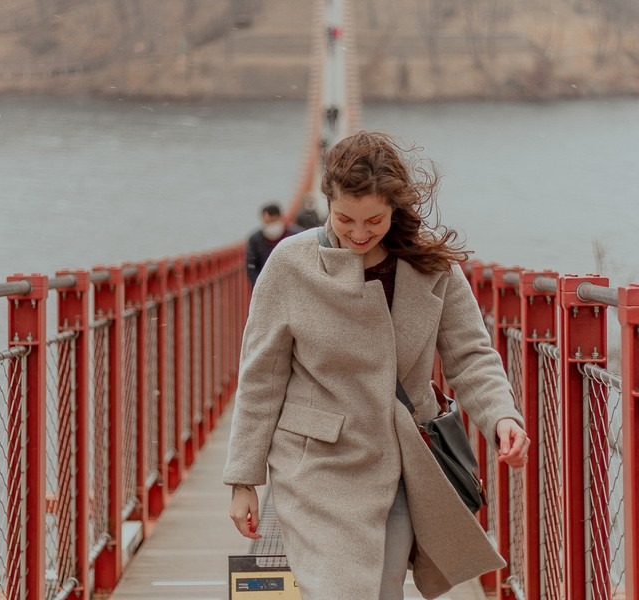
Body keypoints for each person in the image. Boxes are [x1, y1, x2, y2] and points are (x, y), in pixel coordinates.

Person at [224, 131, 530, 599]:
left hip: (404, 460)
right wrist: (244, 478)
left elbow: (470, 354)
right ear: (327, 202)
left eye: (375, 220)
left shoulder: (430, 264)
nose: (360, 233)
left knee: (385, 591)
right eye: (345, 218)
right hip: (317, 465)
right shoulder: (290, 263)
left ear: (396, 209)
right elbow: (261, 378)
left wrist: (502, 415)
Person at [245, 203, 299, 287]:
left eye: (273, 221)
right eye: (267, 223)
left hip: (293, 285)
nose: (271, 226)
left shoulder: (296, 236)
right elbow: (252, 268)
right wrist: (259, 286)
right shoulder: (255, 240)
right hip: (266, 286)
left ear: (281, 218)